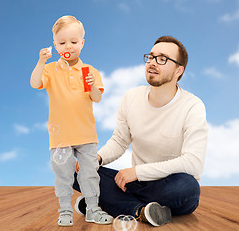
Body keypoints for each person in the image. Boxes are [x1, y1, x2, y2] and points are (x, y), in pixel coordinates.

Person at [73, 35, 208, 227]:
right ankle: (141, 211)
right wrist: (98, 158)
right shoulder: (131, 97)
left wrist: (137, 172)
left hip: (170, 185)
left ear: (179, 70)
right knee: (74, 169)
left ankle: (107, 202)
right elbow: (120, 141)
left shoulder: (193, 106)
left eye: (162, 59)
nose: (153, 63)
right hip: (136, 184)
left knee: (187, 187)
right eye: (151, 57)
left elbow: (193, 163)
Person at [30, 15, 113, 227]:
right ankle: (65, 210)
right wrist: (41, 61)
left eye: (74, 42)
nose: (69, 46)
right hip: (61, 136)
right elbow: (34, 83)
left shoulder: (89, 71)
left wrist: (93, 85)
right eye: (62, 42)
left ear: (82, 43)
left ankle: (93, 209)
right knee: (63, 176)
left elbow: (96, 97)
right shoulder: (50, 70)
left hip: (86, 135)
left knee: (90, 175)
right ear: (55, 45)